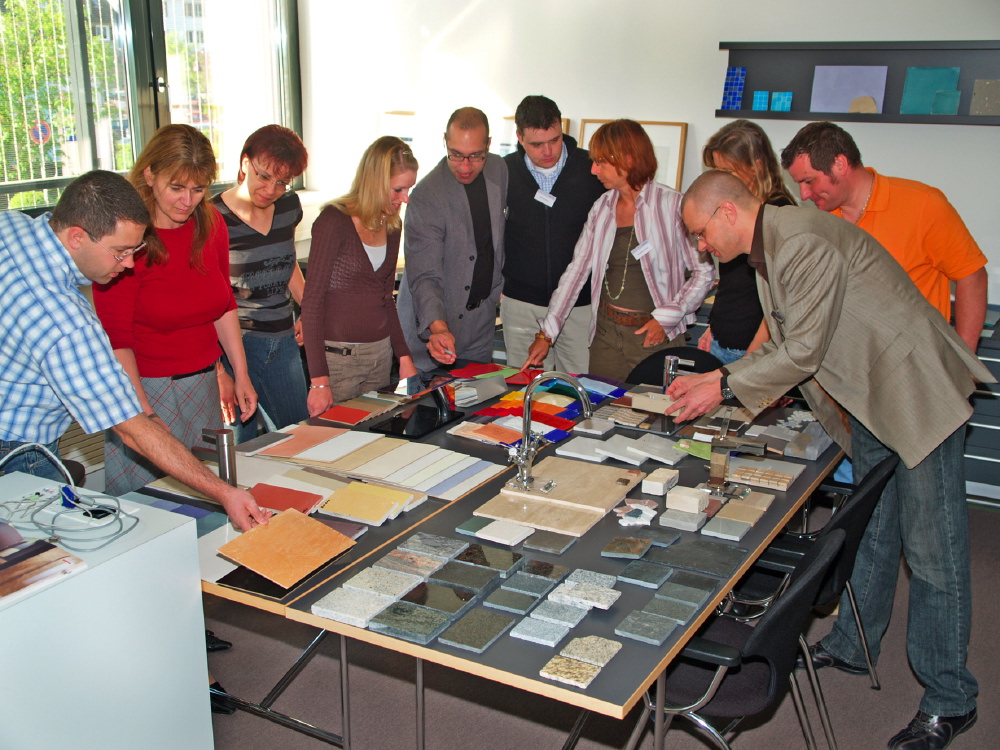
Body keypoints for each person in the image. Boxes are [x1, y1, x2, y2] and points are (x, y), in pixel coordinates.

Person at [668, 170, 993, 750]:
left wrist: (723, 385)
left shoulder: (800, 239)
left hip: (914, 395)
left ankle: (950, 698)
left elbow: (804, 348)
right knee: (871, 532)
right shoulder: (767, 250)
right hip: (867, 397)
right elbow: (782, 343)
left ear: (725, 213)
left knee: (933, 553)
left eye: (699, 233)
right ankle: (850, 643)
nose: (701, 247)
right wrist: (723, 384)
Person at [0, 169, 267, 531]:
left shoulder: (11, 226)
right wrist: (224, 493)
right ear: (76, 236)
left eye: (134, 250)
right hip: (18, 453)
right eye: (120, 252)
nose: (128, 264)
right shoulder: (64, 324)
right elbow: (131, 428)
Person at [94, 124, 258, 496]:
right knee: (151, 506)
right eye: (177, 188)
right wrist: (145, 417)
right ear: (150, 175)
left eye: (198, 190)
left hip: (202, 386)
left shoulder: (210, 223)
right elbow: (118, 341)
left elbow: (222, 305)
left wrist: (240, 373)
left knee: (207, 499)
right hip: (148, 389)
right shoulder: (127, 240)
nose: (187, 201)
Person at [524, 119, 714, 381]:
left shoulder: (672, 206)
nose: (593, 170)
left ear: (627, 159)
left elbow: (704, 273)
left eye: (601, 162)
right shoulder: (601, 207)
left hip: (655, 337)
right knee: (602, 410)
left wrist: (665, 319)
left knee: (652, 416)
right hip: (606, 337)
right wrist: (547, 334)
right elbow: (576, 272)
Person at [780, 121, 987, 352]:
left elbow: (973, 278)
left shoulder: (924, 205)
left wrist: (964, 362)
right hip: (846, 369)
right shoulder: (820, 221)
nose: (804, 194)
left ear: (840, 164)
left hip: (915, 367)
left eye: (809, 181)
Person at [300, 136, 419, 410]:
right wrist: (319, 381)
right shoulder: (334, 221)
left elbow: (386, 298)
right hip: (338, 362)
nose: (405, 198)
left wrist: (403, 357)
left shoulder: (391, 224)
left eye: (409, 188)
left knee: (374, 443)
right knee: (334, 443)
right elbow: (312, 302)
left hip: (380, 357)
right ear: (375, 182)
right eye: (398, 189)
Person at [213, 125, 310, 442]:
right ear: (245, 164)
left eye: (282, 182)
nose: (271, 189)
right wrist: (219, 371)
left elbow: (284, 260)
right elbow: (204, 301)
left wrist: (308, 309)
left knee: (298, 437)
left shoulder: (288, 207)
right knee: (237, 450)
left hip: (282, 340)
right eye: (265, 176)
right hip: (236, 346)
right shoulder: (213, 218)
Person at [396, 107, 508, 375]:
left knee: (478, 406)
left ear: (489, 146)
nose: (465, 166)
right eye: (456, 155)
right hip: (436, 329)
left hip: (480, 324)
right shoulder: (427, 195)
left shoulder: (498, 170)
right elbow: (424, 276)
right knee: (429, 410)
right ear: (445, 141)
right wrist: (439, 328)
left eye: (475, 156)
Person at [501, 95, 605, 374]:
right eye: (536, 144)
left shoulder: (592, 170)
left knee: (581, 388)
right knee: (525, 389)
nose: (548, 151)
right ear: (519, 137)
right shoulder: (503, 172)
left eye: (555, 140)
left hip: (579, 306)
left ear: (562, 129)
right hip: (521, 304)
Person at [698, 119, 795, 365]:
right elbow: (733, 282)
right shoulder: (734, 209)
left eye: (728, 171)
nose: (722, 180)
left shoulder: (779, 214)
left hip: (750, 350)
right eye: (716, 171)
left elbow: (781, 300)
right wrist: (713, 327)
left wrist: (754, 356)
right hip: (722, 340)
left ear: (756, 166)